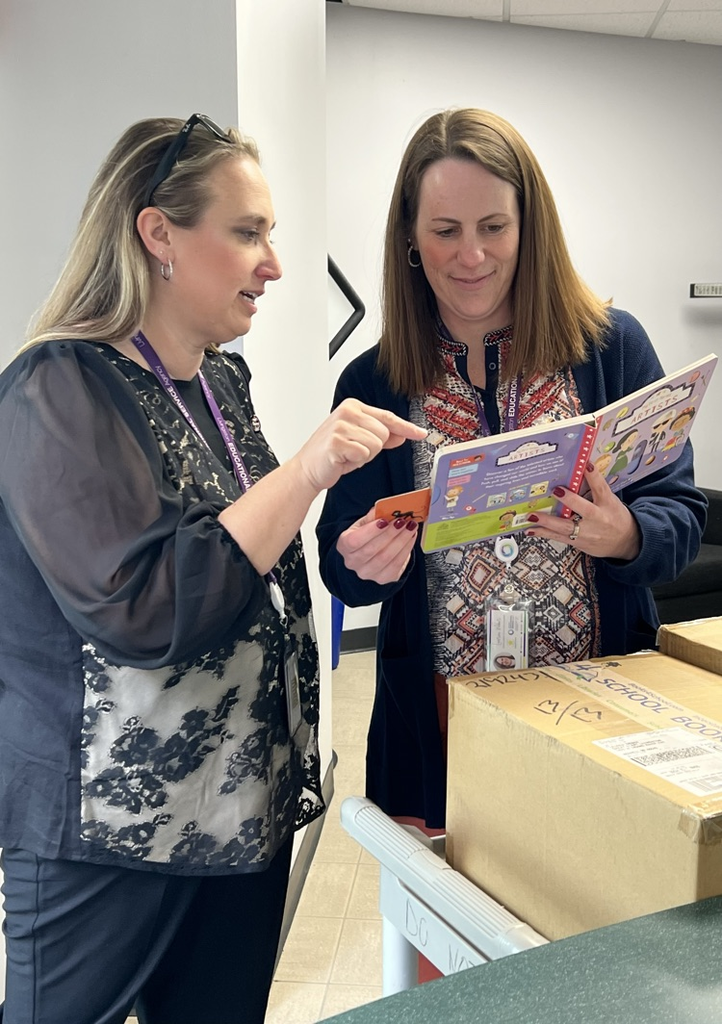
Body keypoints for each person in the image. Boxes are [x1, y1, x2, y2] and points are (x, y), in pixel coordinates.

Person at [0, 114, 425, 1024]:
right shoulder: (58, 388)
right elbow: (143, 611)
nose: (273, 262)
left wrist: (343, 550)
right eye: (248, 233)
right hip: (108, 839)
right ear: (158, 234)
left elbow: (245, 559)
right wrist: (310, 468)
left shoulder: (214, 383)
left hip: (239, 816)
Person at [316, 107, 707, 834]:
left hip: (601, 706)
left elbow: (681, 517)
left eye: (493, 227)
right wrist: (362, 562)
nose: (471, 255)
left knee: (594, 919)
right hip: (439, 718)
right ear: (409, 236)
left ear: (530, 229)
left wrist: (625, 533)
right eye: (445, 231)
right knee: (456, 933)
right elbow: (339, 559)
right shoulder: (372, 381)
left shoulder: (611, 349)